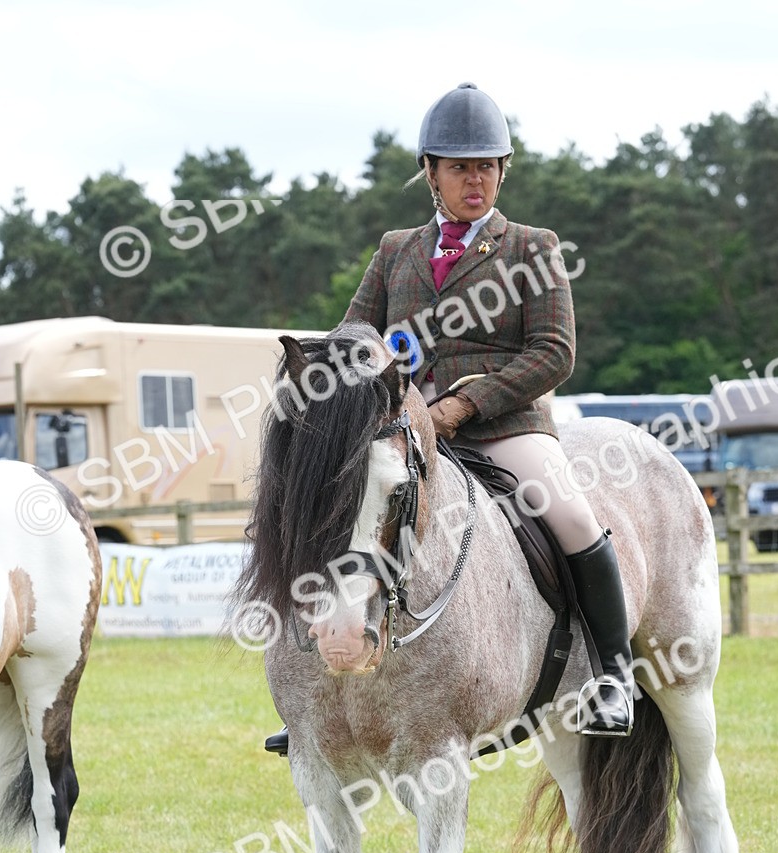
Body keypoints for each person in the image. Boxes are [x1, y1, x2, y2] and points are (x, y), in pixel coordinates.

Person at [265, 83, 633, 756]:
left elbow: (554, 352)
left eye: (487, 166)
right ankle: (312, 696)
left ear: (503, 171)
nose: (476, 179)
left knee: (573, 517)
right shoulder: (395, 250)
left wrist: (463, 405)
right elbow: (354, 338)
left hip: (504, 427)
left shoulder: (532, 247)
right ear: (431, 172)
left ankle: (613, 675)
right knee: (335, 510)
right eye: (461, 167)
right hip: (403, 431)